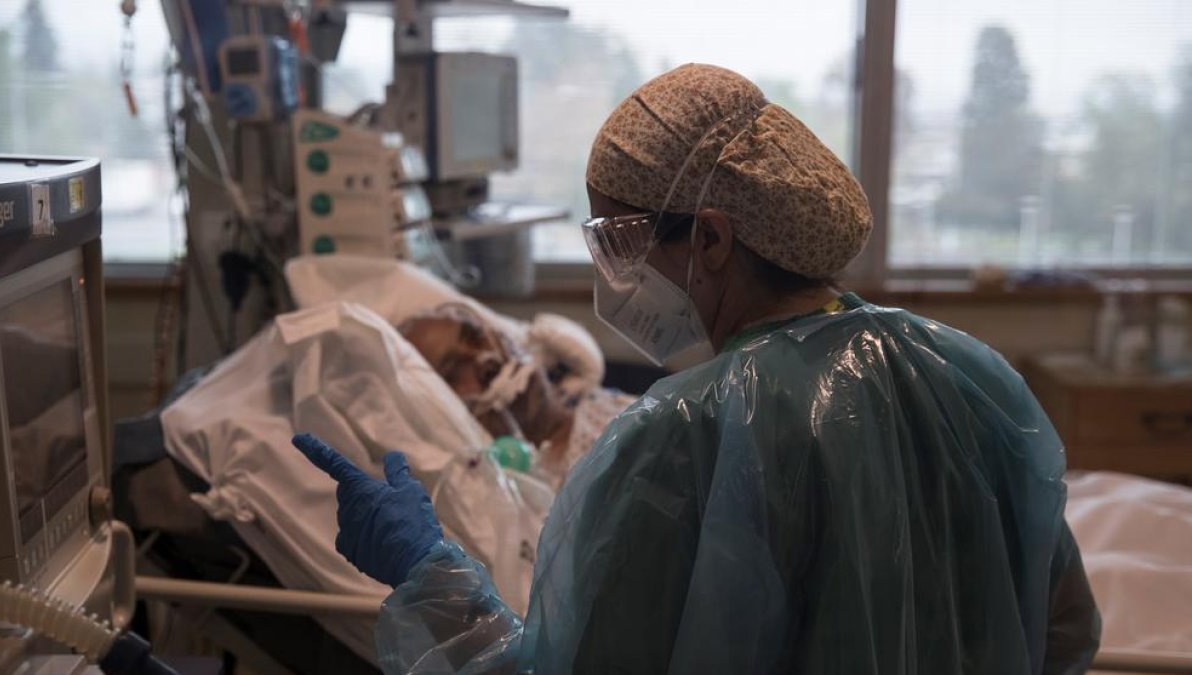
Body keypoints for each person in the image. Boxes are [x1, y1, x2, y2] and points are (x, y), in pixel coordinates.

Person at [293, 63, 1101, 674]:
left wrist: (430, 577)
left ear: (711, 239)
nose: (612, 271)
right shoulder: (972, 377)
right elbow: (1066, 631)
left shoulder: (683, 439)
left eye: (619, 239)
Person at [398, 304, 633, 489]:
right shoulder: (530, 502)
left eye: (476, 336)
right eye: (453, 371)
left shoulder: (612, 405)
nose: (485, 358)